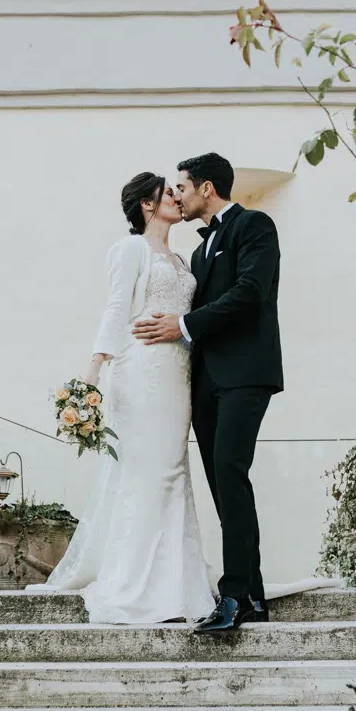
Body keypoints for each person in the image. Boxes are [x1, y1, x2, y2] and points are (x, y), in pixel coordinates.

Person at [30, 172, 213, 625]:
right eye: (167, 193)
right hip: (142, 371)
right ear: (147, 206)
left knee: (172, 470)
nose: (176, 198)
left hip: (178, 374)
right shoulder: (131, 249)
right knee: (147, 471)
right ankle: (135, 583)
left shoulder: (182, 259)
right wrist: (92, 371)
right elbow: (116, 306)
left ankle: (175, 581)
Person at [133, 152, 283, 635]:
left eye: (181, 186)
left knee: (231, 474)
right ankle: (253, 594)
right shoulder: (198, 253)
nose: (175, 194)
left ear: (206, 188)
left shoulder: (255, 226)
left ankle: (236, 595)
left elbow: (249, 293)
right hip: (207, 382)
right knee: (223, 484)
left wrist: (182, 323)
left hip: (245, 374)